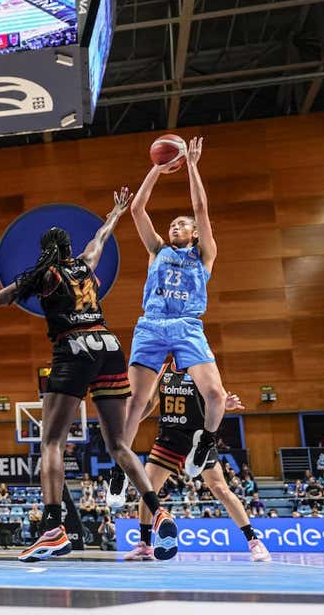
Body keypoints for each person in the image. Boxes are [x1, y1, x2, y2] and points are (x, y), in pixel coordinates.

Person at [0, 188, 179, 562]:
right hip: (109, 346)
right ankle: (158, 509)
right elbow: (99, 239)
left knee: (51, 443)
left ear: (45, 250)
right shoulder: (84, 264)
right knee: (119, 445)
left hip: (75, 348)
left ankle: (53, 529)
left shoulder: (43, 275)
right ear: (68, 249)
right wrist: (114, 214)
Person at [118, 136, 229, 483]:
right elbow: (137, 210)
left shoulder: (204, 255)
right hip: (151, 325)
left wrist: (192, 167)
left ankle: (205, 443)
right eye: (172, 225)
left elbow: (200, 209)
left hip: (186, 326)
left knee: (216, 395)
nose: (174, 227)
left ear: (195, 234)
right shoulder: (157, 250)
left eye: (181, 225)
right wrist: (156, 169)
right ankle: (119, 467)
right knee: (137, 402)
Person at [122, 358, 270, 562]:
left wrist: (227, 403)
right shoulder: (164, 369)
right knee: (147, 489)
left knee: (220, 489)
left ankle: (254, 542)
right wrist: (131, 420)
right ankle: (145, 545)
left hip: (197, 440)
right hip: (169, 438)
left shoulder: (201, 366)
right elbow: (150, 403)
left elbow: (218, 397)